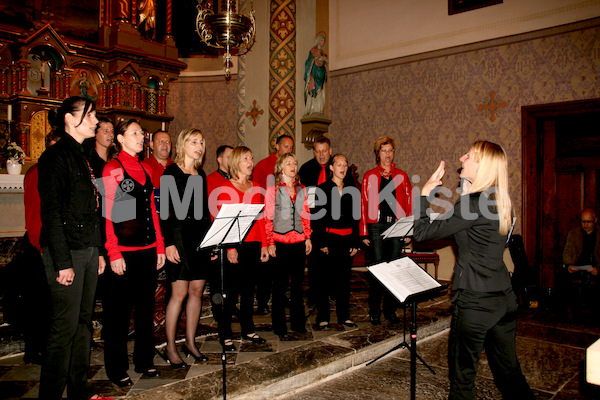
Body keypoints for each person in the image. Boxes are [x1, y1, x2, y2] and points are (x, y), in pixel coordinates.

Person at [414, 140, 534, 400]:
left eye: (468, 155)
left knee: (463, 379)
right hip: (503, 297)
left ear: (481, 165)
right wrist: (466, 193)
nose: (462, 156)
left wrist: (423, 195)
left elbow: (422, 233)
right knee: (509, 373)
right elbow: (477, 231)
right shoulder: (499, 199)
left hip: (475, 302)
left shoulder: (472, 204)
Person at [37, 96, 109, 400]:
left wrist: (99, 249)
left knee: (83, 325)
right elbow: (52, 214)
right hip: (66, 253)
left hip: (88, 250)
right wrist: (63, 262)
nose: (95, 120)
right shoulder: (54, 157)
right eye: (90, 115)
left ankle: (80, 391)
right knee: (63, 330)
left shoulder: (85, 155)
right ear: (69, 118)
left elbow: (92, 208)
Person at [102, 119, 166, 387]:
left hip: (148, 250)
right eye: (136, 133)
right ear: (120, 138)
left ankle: (144, 360)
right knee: (118, 314)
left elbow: (152, 211)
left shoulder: (144, 169)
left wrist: (160, 245)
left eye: (142, 133)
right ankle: (117, 368)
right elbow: (107, 216)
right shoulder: (112, 168)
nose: (142, 137)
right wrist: (113, 252)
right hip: (124, 252)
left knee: (145, 309)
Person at [209, 146, 270, 351]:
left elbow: (260, 219)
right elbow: (221, 220)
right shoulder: (226, 187)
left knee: (248, 290)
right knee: (230, 292)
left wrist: (264, 244)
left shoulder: (256, 186)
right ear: (236, 162)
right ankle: (225, 334)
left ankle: (248, 329)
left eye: (251, 157)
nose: (251, 161)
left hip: (253, 244)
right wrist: (230, 248)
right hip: (234, 245)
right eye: (246, 158)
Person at [161, 128, 212, 367]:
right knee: (179, 294)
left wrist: (210, 240)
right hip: (179, 237)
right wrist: (168, 243)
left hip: (199, 238)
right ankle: (170, 346)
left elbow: (203, 213)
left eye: (201, 142)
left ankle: (190, 343)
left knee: (196, 292)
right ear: (183, 144)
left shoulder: (200, 174)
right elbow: (165, 213)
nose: (199, 146)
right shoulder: (170, 172)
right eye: (194, 141)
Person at [359, 136, 412, 326]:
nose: (387, 154)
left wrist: (407, 231)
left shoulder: (402, 176)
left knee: (394, 270)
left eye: (390, 150)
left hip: (397, 226)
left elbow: (408, 205)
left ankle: (390, 310)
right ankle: (374, 311)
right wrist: (364, 232)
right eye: (384, 150)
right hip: (376, 227)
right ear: (377, 154)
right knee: (378, 270)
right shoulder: (369, 176)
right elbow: (364, 205)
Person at [19, 132, 57, 365]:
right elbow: (34, 216)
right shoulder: (37, 172)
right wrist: (41, 248)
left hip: (52, 243)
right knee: (38, 303)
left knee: (50, 303)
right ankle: (35, 350)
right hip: (39, 244)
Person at [265, 153, 312, 338]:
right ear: (280, 167)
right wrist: (270, 243)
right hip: (280, 243)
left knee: (298, 286)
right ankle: (279, 326)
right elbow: (268, 219)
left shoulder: (302, 189)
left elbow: (305, 215)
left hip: (299, 242)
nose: (293, 166)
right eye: (288, 163)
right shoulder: (273, 190)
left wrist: (308, 237)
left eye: (295, 162)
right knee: (279, 287)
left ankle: (298, 323)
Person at [312, 154, 360, 329]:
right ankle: (323, 316)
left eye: (345, 165)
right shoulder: (322, 189)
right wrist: (322, 242)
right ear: (331, 167)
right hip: (328, 239)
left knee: (344, 281)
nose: (343, 167)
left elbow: (356, 218)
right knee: (324, 281)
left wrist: (356, 242)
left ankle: (344, 316)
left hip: (347, 240)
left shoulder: (353, 189)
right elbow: (317, 219)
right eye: (339, 164)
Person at [252, 134, 295, 313]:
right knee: (266, 267)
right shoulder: (264, 165)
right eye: (285, 146)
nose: (289, 150)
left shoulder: (291, 171)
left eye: (291, 147)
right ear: (276, 146)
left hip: (284, 224)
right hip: (266, 220)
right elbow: (254, 187)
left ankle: (280, 295)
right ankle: (262, 301)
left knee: (283, 268)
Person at [559, 208, 600, 316]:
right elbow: (567, 252)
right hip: (578, 266)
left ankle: (595, 310)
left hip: (595, 267)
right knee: (562, 277)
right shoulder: (574, 234)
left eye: (588, 222)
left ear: (595, 220)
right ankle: (570, 309)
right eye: (583, 221)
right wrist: (569, 265)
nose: (586, 224)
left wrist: (598, 269)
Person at [141, 130, 173, 211]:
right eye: (161, 141)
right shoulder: (142, 167)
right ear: (151, 144)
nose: (165, 145)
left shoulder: (178, 168)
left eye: (168, 142)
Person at [304, 32, 328, 115]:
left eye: (323, 41)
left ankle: (319, 109)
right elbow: (308, 62)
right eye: (321, 41)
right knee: (313, 90)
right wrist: (318, 59)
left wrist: (325, 63)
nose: (322, 43)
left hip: (320, 75)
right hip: (314, 73)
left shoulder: (323, 53)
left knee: (321, 92)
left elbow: (325, 63)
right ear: (318, 41)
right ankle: (313, 109)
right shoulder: (313, 51)